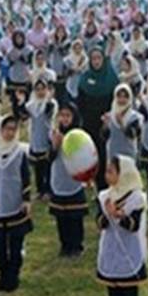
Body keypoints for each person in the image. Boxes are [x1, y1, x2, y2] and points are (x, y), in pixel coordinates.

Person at [97, 154, 148, 296]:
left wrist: (120, 216)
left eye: (111, 171)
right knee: (114, 294)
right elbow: (99, 223)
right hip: (110, 249)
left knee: (129, 294)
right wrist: (107, 215)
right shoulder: (104, 197)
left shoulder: (136, 198)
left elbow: (133, 225)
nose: (107, 175)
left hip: (129, 249)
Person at [0, 115, 32, 292]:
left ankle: (13, 276)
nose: (10, 132)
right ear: (0, 130)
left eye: (13, 129)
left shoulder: (20, 152)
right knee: (0, 244)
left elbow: (26, 177)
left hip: (15, 202)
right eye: (7, 129)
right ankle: (2, 275)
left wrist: (26, 200)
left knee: (16, 243)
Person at [47, 104, 87, 257]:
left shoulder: (79, 135)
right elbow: (49, 158)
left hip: (73, 178)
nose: (64, 119)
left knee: (75, 216)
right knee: (61, 216)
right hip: (58, 177)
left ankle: (76, 245)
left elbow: (82, 156)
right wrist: (55, 146)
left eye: (67, 116)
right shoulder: (53, 134)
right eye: (62, 115)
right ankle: (64, 244)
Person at [77, 48, 118, 188]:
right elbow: (80, 101)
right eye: (93, 58)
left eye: (98, 58)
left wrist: (110, 115)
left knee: (104, 154)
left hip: (105, 123)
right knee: (91, 153)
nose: (96, 61)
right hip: (89, 122)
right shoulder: (85, 78)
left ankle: (104, 185)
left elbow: (117, 99)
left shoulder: (111, 77)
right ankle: (92, 181)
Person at [25, 78, 57, 199]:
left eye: (42, 89)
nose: (40, 92)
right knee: (37, 167)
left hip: (46, 136)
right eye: (37, 89)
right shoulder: (31, 105)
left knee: (47, 166)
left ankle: (48, 189)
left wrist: (48, 100)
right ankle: (39, 189)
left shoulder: (51, 103)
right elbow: (23, 114)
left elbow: (49, 113)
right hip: (35, 137)